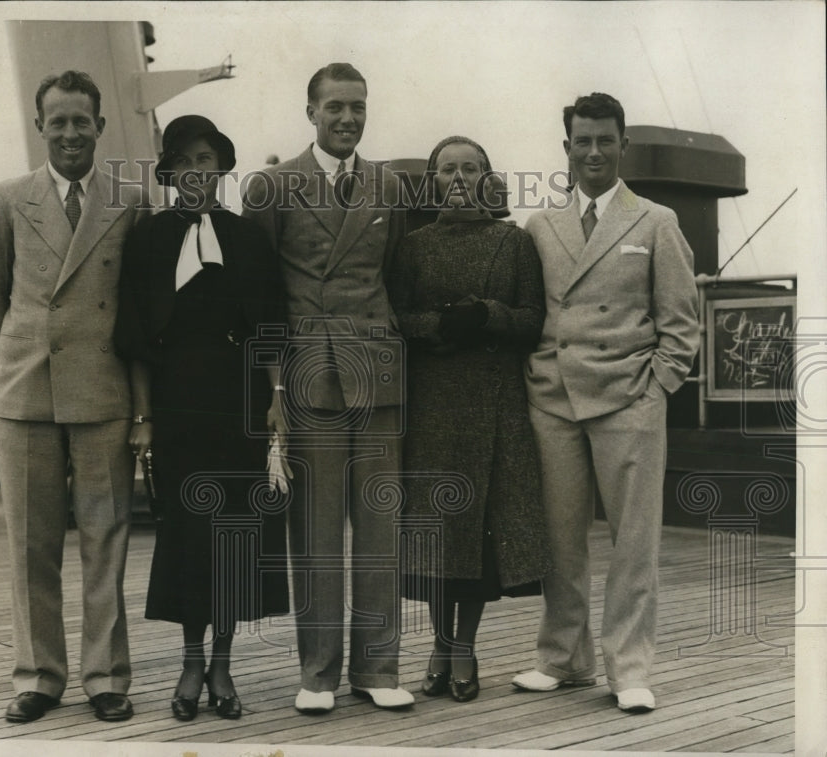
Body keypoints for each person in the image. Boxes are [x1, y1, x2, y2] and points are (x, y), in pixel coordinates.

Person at [512, 92, 700, 713]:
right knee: (561, 539)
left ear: (624, 146)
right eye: (582, 141)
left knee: (634, 541)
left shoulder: (655, 221)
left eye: (605, 140)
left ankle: (629, 668)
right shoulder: (540, 225)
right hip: (554, 399)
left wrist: (657, 388)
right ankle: (563, 658)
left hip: (629, 401)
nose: (593, 151)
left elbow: (681, 322)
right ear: (566, 148)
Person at [0, 70, 147, 723]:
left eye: (82, 120)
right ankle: (39, 675)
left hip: (102, 392)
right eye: (59, 121)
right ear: (39, 126)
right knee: (30, 543)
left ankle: (105, 675)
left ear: (100, 127)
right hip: (26, 395)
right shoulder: (6, 199)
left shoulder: (131, 201)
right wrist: (27, 352)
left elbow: (136, 302)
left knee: (108, 538)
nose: (71, 132)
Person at [241, 62, 413, 712]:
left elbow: (393, 272)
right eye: (335, 106)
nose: (348, 118)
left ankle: (380, 667)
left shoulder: (390, 185)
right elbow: (259, 297)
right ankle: (317, 673)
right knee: (313, 533)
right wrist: (273, 387)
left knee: (379, 527)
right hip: (308, 373)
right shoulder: (271, 186)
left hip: (376, 372)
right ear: (310, 111)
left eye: (358, 107)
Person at [115, 115, 291, 722]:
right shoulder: (148, 239)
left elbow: (271, 325)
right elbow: (136, 338)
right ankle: (191, 662)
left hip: (240, 403)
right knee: (191, 537)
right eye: (185, 161)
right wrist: (144, 416)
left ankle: (223, 665)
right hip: (178, 404)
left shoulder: (247, 239)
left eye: (206, 160)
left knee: (234, 536)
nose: (197, 172)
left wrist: (276, 397)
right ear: (170, 171)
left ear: (220, 168)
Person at [391, 136, 551, 703]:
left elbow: (533, 319)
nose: (458, 178)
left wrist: (487, 315)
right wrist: (437, 324)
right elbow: (396, 317)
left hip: (494, 406)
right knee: (439, 531)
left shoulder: (514, 243)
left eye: (471, 169)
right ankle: (438, 643)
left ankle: (463, 648)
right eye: (447, 169)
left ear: (488, 178)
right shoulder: (412, 246)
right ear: (432, 180)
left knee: (479, 532)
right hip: (433, 404)